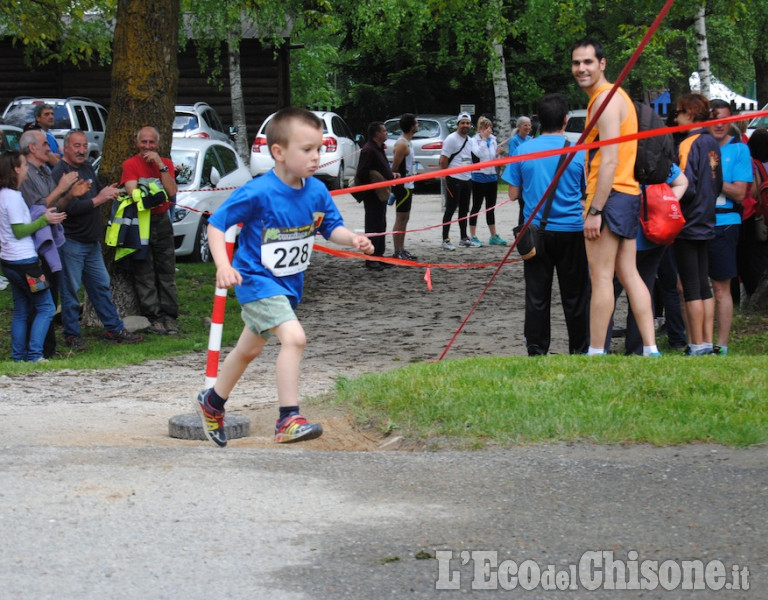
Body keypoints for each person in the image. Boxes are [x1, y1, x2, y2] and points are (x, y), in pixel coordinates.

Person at [195, 107, 374, 447]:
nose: (316, 156)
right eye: (306, 149)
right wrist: (223, 265)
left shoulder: (317, 192)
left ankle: (212, 401)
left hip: (289, 286)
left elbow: (330, 227)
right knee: (294, 338)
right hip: (256, 281)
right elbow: (217, 224)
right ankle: (288, 418)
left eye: (319, 149)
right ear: (278, 152)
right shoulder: (258, 191)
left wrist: (352, 239)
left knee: (248, 350)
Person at [571, 36, 660, 356]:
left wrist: (595, 210)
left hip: (610, 196)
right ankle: (650, 349)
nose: (581, 69)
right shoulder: (617, 97)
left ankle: (596, 352)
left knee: (602, 276)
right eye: (576, 63)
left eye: (588, 62)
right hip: (627, 194)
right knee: (629, 272)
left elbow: (608, 159)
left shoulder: (605, 99)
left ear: (602, 64)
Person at [503, 93, 589, 355]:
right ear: (565, 119)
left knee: (537, 294)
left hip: (535, 232)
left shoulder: (522, 150)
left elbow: (513, 194)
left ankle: (537, 348)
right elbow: (585, 192)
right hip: (571, 231)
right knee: (575, 295)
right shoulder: (577, 153)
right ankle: (580, 348)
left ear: (538, 120)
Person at [52, 130, 143, 348]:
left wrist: (111, 192)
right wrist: (98, 200)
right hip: (71, 241)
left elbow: (100, 191)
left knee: (101, 285)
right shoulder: (60, 172)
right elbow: (68, 208)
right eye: (76, 146)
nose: (82, 150)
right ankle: (71, 334)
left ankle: (114, 328)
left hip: (91, 241)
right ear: (66, 147)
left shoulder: (86, 167)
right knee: (71, 290)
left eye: (84, 145)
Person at [607, 166, 689, 354]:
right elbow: (682, 181)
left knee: (608, 288)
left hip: (624, 233)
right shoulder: (657, 154)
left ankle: (599, 345)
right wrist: (662, 204)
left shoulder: (624, 154)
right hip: (653, 234)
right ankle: (638, 348)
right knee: (644, 288)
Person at [19, 129, 85, 357]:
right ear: (32, 149)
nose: (49, 148)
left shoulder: (45, 170)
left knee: (51, 296)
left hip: (51, 246)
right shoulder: (25, 176)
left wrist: (70, 194)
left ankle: (47, 349)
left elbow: (56, 206)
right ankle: (34, 351)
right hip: (35, 248)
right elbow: (36, 210)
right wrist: (61, 188)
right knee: (38, 303)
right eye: (45, 144)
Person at [0, 150, 66, 362]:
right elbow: (20, 231)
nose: (27, 168)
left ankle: (18, 356)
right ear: (15, 170)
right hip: (26, 263)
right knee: (46, 307)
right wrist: (44, 220)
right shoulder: (13, 197)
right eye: (24, 165)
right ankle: (35, 354)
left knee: (21, 309)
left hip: (9, 261)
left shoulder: (2, 195)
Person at [672, 94, 723, 356]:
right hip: (707, 219)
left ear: (690, 114)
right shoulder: (711, 142)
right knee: (704, 286)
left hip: (688, 221)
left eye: (679, 112)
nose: (675, 118)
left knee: (691, 287)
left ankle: (698, 344)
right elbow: (716, 183)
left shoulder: (688, 143)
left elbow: (684, 184)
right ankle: (705, 341)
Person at [120, 126, 180, 333]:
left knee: (167, 270)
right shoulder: (130, 164)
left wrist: (160, 164)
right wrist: (149, 198)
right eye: (143, 142)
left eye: (151, 142)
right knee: (144, 272)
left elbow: (171, 191)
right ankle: (152, 317)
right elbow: (133, 192)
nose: (147, 146)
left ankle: (170, 316)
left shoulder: (167, 164)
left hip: (162, 220)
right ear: (137, 143)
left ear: (158, 144)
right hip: (140, 222)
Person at [706, 100, 752, 355]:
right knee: (685, 286)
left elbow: (740, 192)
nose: (720, 125)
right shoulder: (698, 146)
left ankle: (721, 345)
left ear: (731, 120)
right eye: (714, 120)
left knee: (721, 288)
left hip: (725, 225)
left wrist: (713, 178)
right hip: (696, 224)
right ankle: (697, 342)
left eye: (723, 119)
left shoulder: (739, 150)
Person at [355, 121, 395, 270]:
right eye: (384, 131)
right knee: (372, 225)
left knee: (381, 224)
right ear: (377, 134)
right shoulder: (368, 150)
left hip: (381, 193)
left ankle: (379, 255)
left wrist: (390, 176)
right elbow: (362, 172)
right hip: (372, 194)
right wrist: (376, 179)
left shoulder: (378, 148)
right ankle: (370, 258)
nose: (386, 133)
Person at [740, 128, 768, 300]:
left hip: (758, 217)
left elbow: (754, 192)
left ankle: (754, 295)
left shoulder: (754, 164)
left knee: (755, 258)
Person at [440, 112, 475, 250]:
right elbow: (444, 159)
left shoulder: (470, 140)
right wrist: (445, 176)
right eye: (463, 123)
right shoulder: (451, 139)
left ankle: (463, 237)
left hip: (467, 178)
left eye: (467, 123)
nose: (465, 125)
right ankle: (445, 239)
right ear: (458, 125)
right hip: (454, 178)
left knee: (464, 210)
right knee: (450, 208)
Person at [469, 116, 506, 246]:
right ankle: (472, 235)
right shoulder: (474, 141)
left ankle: (493, 235)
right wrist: (484, 139)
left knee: (491, 207)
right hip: (479, 176)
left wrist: (497, 155)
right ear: (480, 129)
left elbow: (493, 159)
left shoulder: (493, 140)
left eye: (490, 127)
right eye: (486, 128)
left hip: (492, 177)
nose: (489, 130)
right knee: (476, 206)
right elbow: (478, 154)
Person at [390, 113, 419, 260]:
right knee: (400, 218)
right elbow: (394, 167)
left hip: (409, 184)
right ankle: (397, 250)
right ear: (411, 126)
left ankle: (402, 248)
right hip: (402, 186)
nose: (418, 125)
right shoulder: (401, 144)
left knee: (405, 218)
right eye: (416, 123)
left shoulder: (409, 142)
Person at [508, 116, 533, 226]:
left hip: (530, 177)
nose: (528, 127)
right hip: (521, 177)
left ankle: (530, 230)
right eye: (525, 125)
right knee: (523, 205)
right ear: (519, 127)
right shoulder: (514, 140)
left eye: (529, 125)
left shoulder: (530, 139)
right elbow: (514, 159)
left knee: (530, 205)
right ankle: (521, 233)